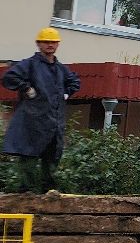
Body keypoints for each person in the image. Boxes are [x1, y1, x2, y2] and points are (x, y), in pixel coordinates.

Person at [2, 28, 82, 192]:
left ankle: (49, 197)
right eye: (46, 42)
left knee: (51, 159)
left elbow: (74, 82)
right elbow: (9, 77)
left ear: (57, 44)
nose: (50, 45)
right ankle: (27, 196)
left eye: (53, 42)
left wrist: (66, 93)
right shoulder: (29, 64)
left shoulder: (60, 69)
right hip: (32, 122)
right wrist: (26, 88)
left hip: (53, 123)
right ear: (39, 44)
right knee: (28, 159)